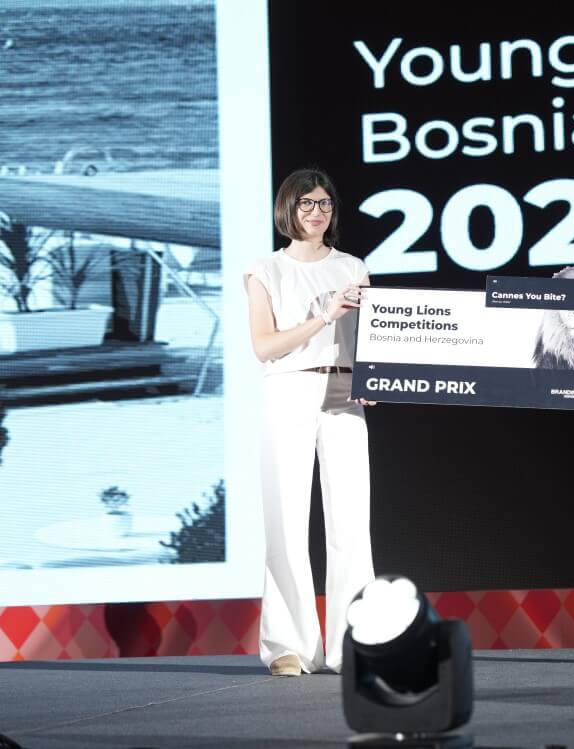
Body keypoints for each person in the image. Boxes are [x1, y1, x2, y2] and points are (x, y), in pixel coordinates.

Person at [244, 167, 376, 677]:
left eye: (324, 203)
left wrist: (377, 378)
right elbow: (264, 346)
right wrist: (324, 315)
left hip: (345, 393)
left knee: (351, 523)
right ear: (288, 209)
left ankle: (354, 643)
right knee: (286, 518)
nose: (316, 212)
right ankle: (288, 646)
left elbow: (372, 339)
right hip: (290, 388)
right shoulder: (265, 270)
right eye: (306, 204)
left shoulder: (352, 267)